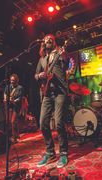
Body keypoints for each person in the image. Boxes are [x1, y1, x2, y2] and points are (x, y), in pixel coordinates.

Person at [34, 34, 69, 168]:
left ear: (54, 43)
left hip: (60, 92)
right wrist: (40, 75)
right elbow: (35, 74)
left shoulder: (60, 53)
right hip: (47, 93)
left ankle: (64, 152)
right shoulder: (42, 59)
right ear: (43, 43)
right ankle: (50, 152)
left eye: (51, 39)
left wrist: (63, 54)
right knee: (43, 123)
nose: (48, 40)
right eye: (46, 39)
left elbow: (66, 63)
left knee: (59, 123)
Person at [4, 74, 24, 143]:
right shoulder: (8, 87)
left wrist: (14, 101)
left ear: (17, 81)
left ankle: (14, 138)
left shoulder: (20, 88)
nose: (12, 81)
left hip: (16, 106)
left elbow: (20, 98)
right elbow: (5, 93)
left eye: (13, 80)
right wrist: (5, 98)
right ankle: (14, 135)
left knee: (13, 121)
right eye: (11, 80)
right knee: (9, 121)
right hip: (9, 106)